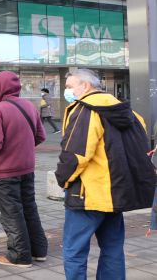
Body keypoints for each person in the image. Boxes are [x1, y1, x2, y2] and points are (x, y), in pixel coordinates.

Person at [55, 69, 156, 279]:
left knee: (74, 252)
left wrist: (63, 180)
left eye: (70, 86)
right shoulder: (130, 113)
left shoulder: (85, 111)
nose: (68, 91)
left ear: (86, 86)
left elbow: (75, 155)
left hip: (87, 196)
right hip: (116, 195)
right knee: (112, 250)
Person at [0, 71, 47, 268]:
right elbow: (40, 136)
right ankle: (39, 250)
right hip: (26, 167)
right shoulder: (29, 106)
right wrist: (22, 148)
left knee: (11, 212)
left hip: (4, 171)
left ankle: (19, 255)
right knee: (29, 207)